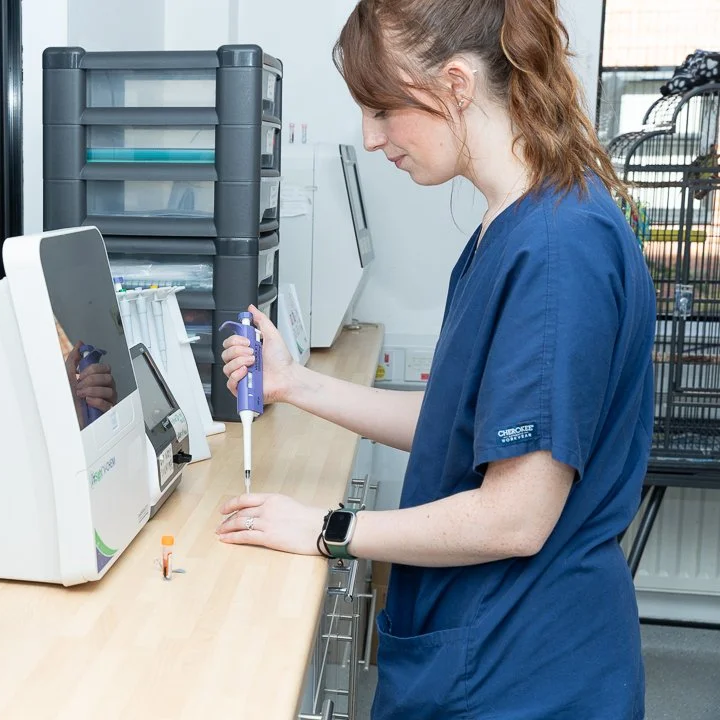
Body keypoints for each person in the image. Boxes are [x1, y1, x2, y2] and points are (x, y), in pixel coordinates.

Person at [217, 1, 655, 717]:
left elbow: (514, 517)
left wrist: (329, 531)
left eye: (384, 109)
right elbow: (459, 424)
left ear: (455, 84)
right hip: (490, 645)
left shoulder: (554, 249)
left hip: (525, 669)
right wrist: (295, 384)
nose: (370, 136)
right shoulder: (510, 225)